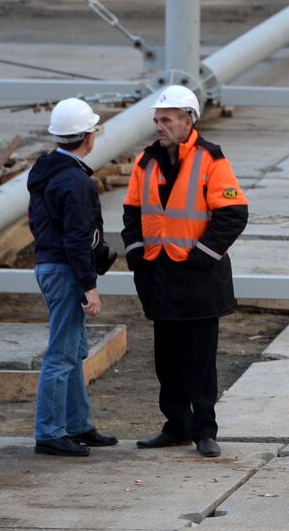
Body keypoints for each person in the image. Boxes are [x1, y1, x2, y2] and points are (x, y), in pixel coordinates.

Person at [121, 86, 248, 458]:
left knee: (200, 362)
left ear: (188, 121)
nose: (159, 127)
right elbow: (131, 213)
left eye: (167, 120)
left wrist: (201, 257)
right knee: (168, 361)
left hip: (198, 279)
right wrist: (137, 256)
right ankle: (176, 425)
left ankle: (204, 430)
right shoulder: (145, 161)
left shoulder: (211, 160)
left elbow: (233, 213)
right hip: (159, 278)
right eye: (157, 120)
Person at [25, 98, 118, 457]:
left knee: (74, 350)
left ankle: (78, 425)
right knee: (62, 354)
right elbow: (77, 239)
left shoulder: (47, 170)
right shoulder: (75, 183)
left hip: (50, 266)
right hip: (65, 270)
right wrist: (89, 286)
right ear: (88, 137)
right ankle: (50, 432)